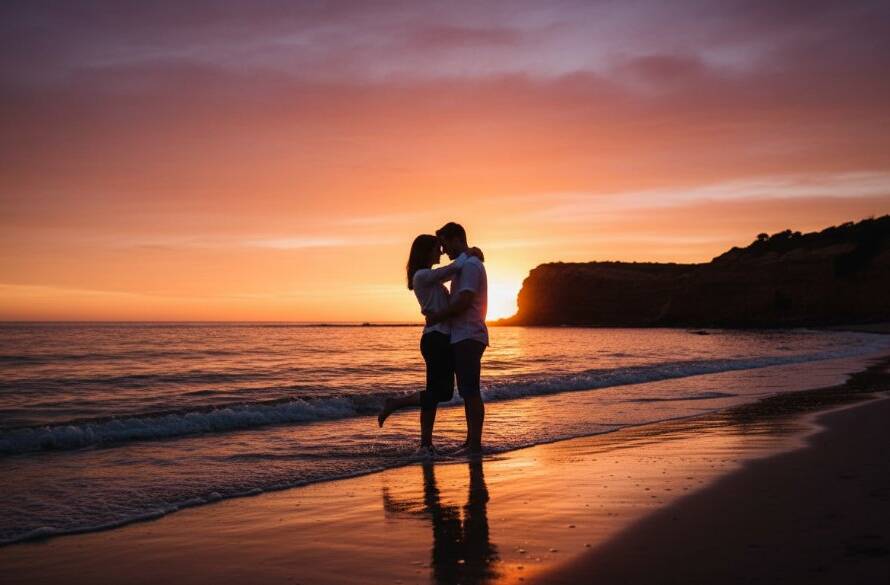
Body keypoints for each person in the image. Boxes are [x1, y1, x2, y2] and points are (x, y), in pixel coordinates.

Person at [377, 234, 483, 455]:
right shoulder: (422, 276)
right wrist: (470, 252)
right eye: (437, 248)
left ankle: (426, 443)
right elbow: (451, 269)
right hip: (436, 339)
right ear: (426, 252)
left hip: (440, 338)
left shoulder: (428, 277)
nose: (441, 252)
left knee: (434, 392)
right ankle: (395, 403)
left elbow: (451, 273)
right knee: (441, 393)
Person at [426, 222, 488, 455]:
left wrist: (437, 317)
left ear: (456, 239)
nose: (444, 251)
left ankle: (474, 443)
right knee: (466, 390)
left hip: (469, 334)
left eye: (445, 244)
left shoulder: (470, 265)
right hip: (464, 335)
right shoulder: (466, 264)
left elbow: (464, 301)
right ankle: (471, 440)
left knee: (470, 390)